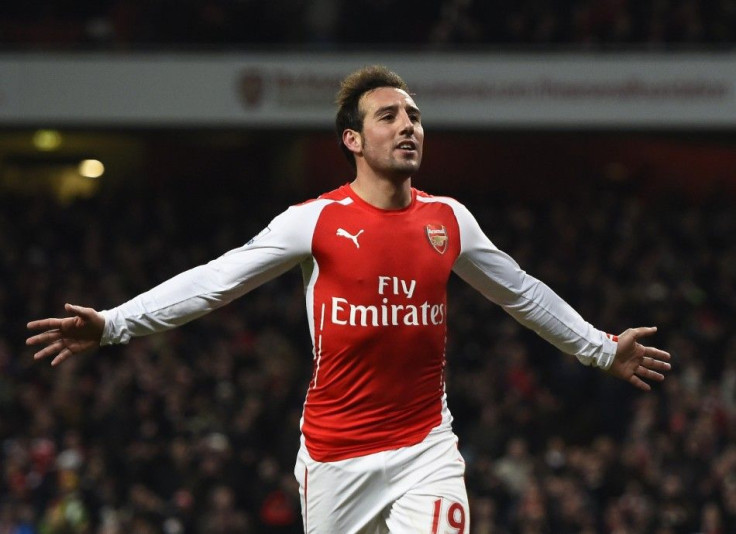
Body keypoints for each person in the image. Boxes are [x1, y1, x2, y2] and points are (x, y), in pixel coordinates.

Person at [27, 65, 672, 534]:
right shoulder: (312, 222)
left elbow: (522, 294)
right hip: (336, 455)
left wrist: (599, 349)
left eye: (414, 115)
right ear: (353, 141)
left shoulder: (449, 220)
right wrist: (113, 325)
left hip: (427, 447)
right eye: (388, 116)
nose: (408, 125)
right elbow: (215, 281)